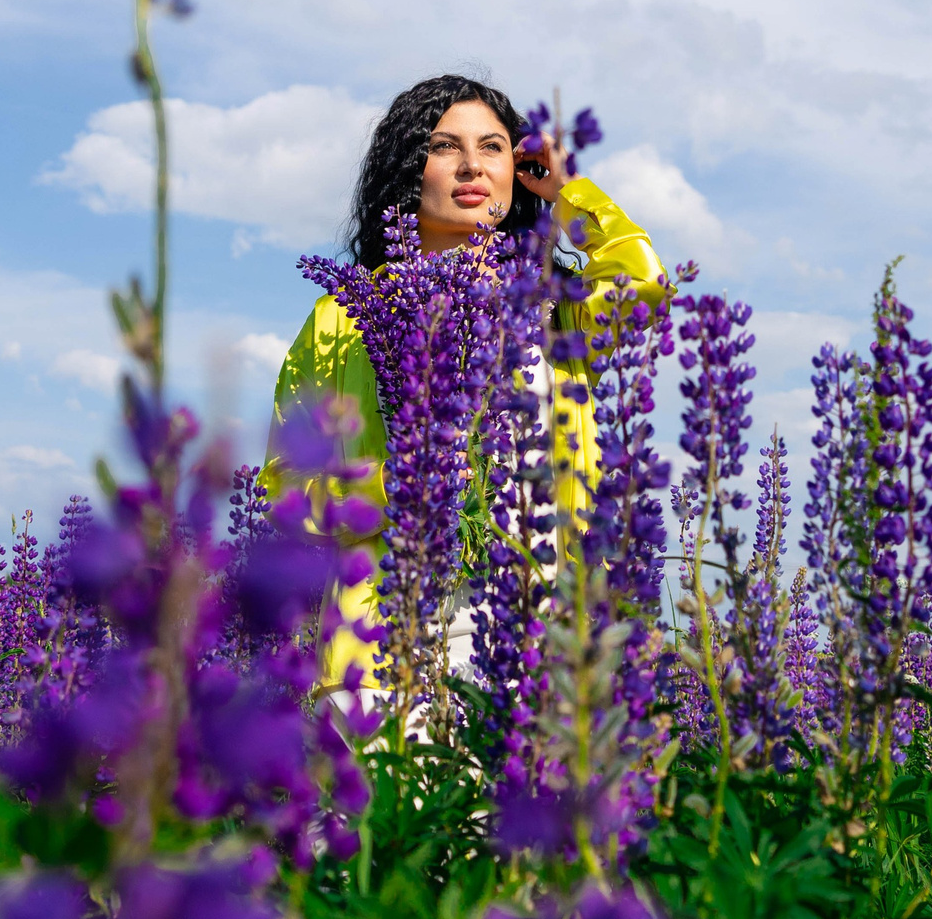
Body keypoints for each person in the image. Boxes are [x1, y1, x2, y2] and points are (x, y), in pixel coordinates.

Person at [262, 73, 669, 684]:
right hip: (383, 648)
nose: (472, 166)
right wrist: (399, 487)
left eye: (494, 147)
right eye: (445, 146)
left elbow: (645, 292)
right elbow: (285, 491)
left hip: (540, 646)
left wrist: (570, 192)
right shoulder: (343, 316)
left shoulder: (550, 308)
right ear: (408, 168)